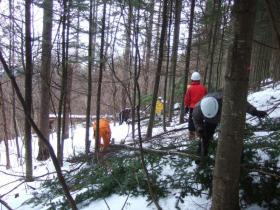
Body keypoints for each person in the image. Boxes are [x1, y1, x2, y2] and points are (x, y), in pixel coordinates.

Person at [192, 91, 268, 158]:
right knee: (205, 136)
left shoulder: (225, 99)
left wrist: (254, 111)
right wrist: (199, 129)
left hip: (227, 117)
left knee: (233, 136)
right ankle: (201, 157)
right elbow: (196, 120)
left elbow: (241, 103)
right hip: (209, 121)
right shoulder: (198, 109)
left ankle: (239, 157)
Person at [184, 71, 207, 139]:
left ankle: (191, 137)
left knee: (191, 121)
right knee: (200, 121)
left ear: (192, 79)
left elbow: (187, 98)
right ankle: (200, 136)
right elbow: (206, 98)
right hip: (201, 107)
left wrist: (186, 106)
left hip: (193, 108)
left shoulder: (190, 88)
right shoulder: (203, 88)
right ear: (199, 79)